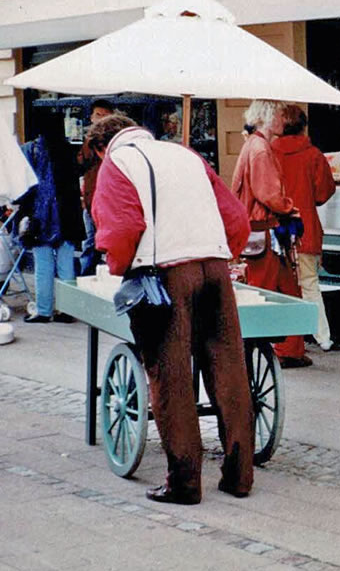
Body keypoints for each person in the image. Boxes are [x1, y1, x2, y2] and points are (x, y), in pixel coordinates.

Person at [88, 114, 254, 505]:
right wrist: (217, 253)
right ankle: (239, 476)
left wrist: (119, 267)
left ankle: (184, 482)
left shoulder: (117, 163)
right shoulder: (186, 155)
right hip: (214, 267)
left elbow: (121, 229)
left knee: (170, 376)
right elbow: (236, 219)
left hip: (164, 274)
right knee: (229, 369)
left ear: (100, 147)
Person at [231, 99, 309, 367]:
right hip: (264, 230)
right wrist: (289, 208)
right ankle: (265, 350)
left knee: (285, 290)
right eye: (279, 115)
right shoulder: (261, 148)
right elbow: (268, 194)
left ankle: (290, 349)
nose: (283, 121)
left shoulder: (254, 145)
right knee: (267, 292)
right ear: (267, 117)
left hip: (261, 230)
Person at [272, 105, 337, 351]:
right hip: (306, 226)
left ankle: (286, 337)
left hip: (276, 226)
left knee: (281, 284)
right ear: (303, 126)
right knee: (310, 283)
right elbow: (324, 192)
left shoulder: (269, 152)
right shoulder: (313, 155)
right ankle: (323, 336)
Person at [18, 109, 84, 323]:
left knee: (43, 266)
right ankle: (68, 310)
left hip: (39, 217)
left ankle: (44, 311)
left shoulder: (31, 149)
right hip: (67, 217)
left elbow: (24, 185)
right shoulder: (70, 150)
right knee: (66, 265)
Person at [78, 99, 115, 276]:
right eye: (98, 115)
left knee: (109, 242)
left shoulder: (115, 141)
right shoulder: (89, 140)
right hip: (91, 199)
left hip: (110, 201)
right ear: (92, 118)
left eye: (105, 116)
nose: (101, 119)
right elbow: (82, 162)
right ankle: (85, 277)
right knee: (89, 242)